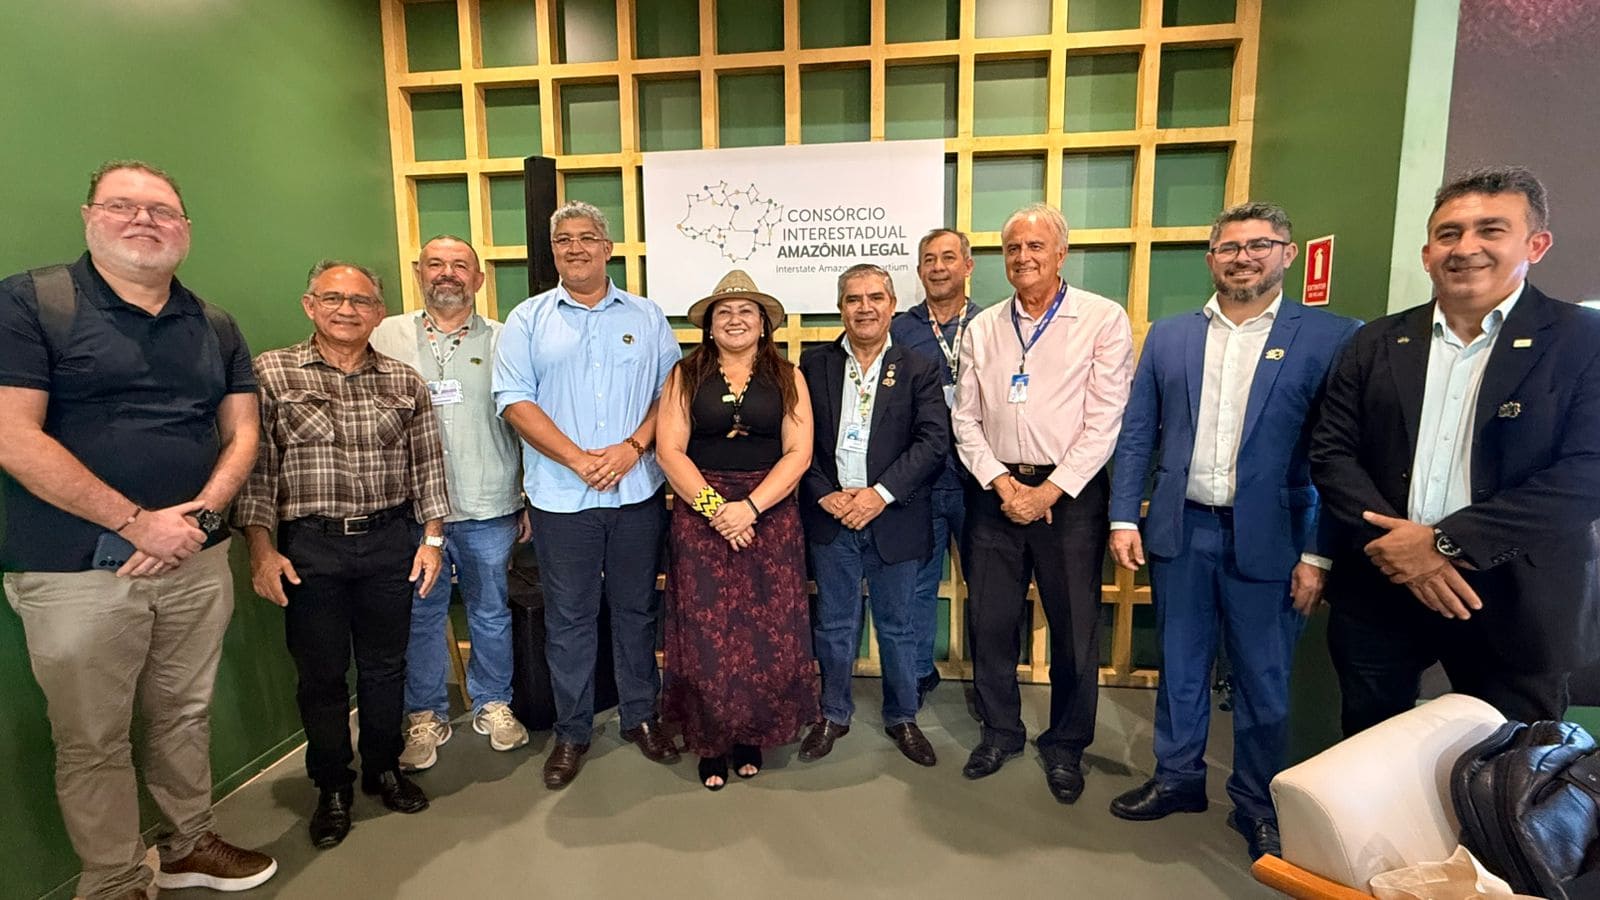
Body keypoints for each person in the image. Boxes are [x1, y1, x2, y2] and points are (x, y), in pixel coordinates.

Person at [0, 160, 276, 899]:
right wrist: (135, 524)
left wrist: (200, 518)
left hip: (194, 557)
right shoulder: (31, 303)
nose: (144, 220)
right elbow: (13, 436)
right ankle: (116, 878)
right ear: (89, 215)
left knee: (184, 713)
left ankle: (188, 844)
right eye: (123, 205)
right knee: (92, 737)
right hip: (78, 570)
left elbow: (242, 432)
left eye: (162, 210)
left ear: (185, 228)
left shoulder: (213, 323)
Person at [1106, 202, 1361, 861]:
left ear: (1288, 253)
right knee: (1181, 666)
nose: (1243, 258)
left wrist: (1319, 554)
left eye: (1259, 245)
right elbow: (1138, 433)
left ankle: (1257, 804)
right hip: (1181, 530)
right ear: (1211, 258)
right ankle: (1177, 778)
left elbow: (1341, 456)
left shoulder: (1331, 337)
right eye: (1229, 247)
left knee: (1262, 677)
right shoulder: (1170, 336)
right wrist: (1124, 515)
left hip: (1276, 538)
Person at [1311, 166, 1600, 736]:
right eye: (1449, 233)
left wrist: (1444, 543)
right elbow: (1332, 453)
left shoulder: (1583, 340)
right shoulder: (1376, 341)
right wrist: (1399, 550)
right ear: (1427, 254)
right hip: (1381, 584)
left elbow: (1587, 473)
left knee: (1512, 758)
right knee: (1369, 746)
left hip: (1516, 594)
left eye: (1491, 230)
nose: (1466, 248)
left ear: (1535, 245)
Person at [236, 260, 451, 849]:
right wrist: (261, 550)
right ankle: (332, 785)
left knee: (386, 667)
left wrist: (432, 541)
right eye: (333, 298)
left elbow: (428, 466)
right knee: (322, 675)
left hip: (389, 540)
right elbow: (257, 470)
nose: (347, 310)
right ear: (310, 305)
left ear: (378, 313)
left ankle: (383, 767)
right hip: (310, 546)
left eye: (360, 301)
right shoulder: (272, 373)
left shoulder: (404, 381)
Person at [493, 200, 683, 788]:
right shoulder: (527, 319)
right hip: (560, 498)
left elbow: (669, 395)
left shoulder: (647, 316)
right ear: (553, 252)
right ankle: (572, 731)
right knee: (570, 618)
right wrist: (577, 460)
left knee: (636, 610)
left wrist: (632, 448)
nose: (575, 248)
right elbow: (513, 400)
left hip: (636, 493)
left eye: (586, 237)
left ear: (607, 247)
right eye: (563, 240)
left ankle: (640, 716)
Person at [952, 202, 1133, 802]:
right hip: (996, 493)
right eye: (1013, 249)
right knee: (990, 622)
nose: (1023, 258)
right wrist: (1005, 486)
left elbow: (1106, 420)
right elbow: (965, 419)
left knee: (1075, 628)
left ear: (1061, 254)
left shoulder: (1101, 319)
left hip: (1070, 497)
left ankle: (1066, 746)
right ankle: (1000, 731)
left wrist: (1049, 491)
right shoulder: (983, 327)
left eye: (1035, 247)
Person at [371, 235, 532, 770]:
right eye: (436, 264)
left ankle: (494, 703)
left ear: (478, 279)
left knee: (490, 611)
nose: (447, 274)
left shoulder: (508, 339)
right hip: (412, 510)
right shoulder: (384, 335)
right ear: (419, 272)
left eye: (460, 266)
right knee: (421, 614)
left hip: (489, 502)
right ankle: (425, 714)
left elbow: (527, 422)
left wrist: (528, 498)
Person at [656, 270, 818, 790]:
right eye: (723, 312)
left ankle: (751, 734)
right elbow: (669, 450)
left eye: (746, 311)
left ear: (764, 323)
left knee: (765, 630)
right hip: (700, 510)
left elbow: (798, 453)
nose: (735, 319)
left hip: (769, 511)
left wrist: (749, 507)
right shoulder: (684, 375)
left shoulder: (789, 376)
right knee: (706, 630)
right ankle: (711, 739)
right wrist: (715, 509)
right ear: (708, 325)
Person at [799, 264, 950, 767]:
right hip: (832, 516)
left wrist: (879, 495)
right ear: (840, 307)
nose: (864, 308)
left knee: (899, 626)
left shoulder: (919, 367)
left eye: (875, 298)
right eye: (853, 299)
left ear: (892, 305)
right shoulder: (813, 365)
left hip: (894, 516)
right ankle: (833, 713)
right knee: (834, 624)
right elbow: (797, 442)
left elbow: (933, 442)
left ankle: (902, 716)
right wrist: (825, 494)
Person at [891, 228, 981, 704]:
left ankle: (990, 686)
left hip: (981, 483)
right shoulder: (900, 329)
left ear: (968, 265)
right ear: (919, 270)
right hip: (919, 482)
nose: (939, 267)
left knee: (988, 590)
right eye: (929, 259)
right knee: (916, 587)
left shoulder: (991, 324)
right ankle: (917, 676)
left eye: (948, 257)